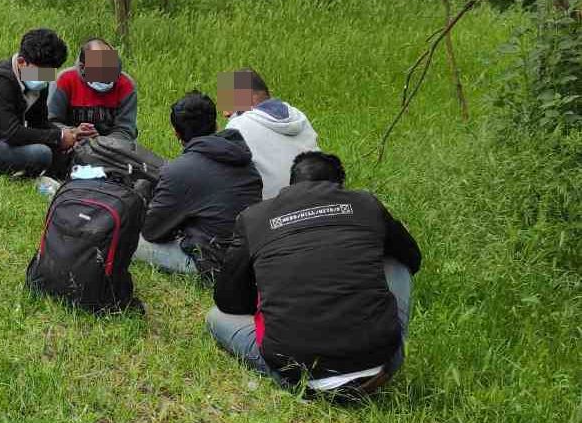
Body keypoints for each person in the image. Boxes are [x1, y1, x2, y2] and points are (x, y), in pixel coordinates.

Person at [206, 151, 422, 397]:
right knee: (396, 259)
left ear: (292, 183)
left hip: (295, 373)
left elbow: (226, 299)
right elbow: (412, 258)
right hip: (381, 362)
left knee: (216, 317)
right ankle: (374, 352)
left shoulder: (253, 218)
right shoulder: (366, 203)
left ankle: (310, 377)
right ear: (340, 185)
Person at [134, 91, 262, 279]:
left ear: (176, 133)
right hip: (249, 257)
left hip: (213, 263)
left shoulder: (180, 171)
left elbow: (152, 232)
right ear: (216, 125)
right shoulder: (243, 157)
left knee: (126, 238)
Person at [0, 28, 81, 177]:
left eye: (51, 72)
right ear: (21, 62)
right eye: (41, 72)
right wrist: (59, 137)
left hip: (1, 135)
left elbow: (38, 123)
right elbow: (12, 133)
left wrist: (70, 134)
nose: (46, 78)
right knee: (41, 154)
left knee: (69, 153)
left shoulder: (38, 80)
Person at [219, 68, 318, 200]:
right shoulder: (298, 115)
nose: (226, 114)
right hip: (317, 201)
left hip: (276, 213)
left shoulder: (238, 125)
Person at [47, 38, 138, 140]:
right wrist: (74, 132)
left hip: (112, 146)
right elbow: (50, 122)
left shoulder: (126, 85)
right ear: (83, 68)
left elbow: (126, 130)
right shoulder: (64, 80)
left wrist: (101, 142)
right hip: (71, 142)